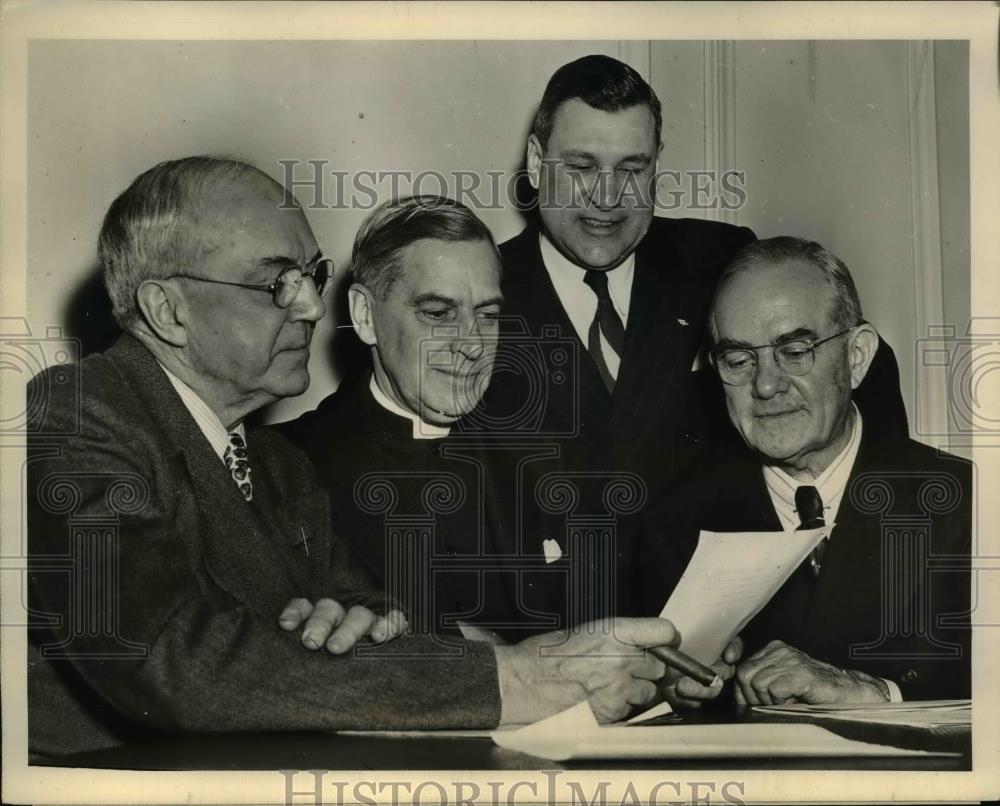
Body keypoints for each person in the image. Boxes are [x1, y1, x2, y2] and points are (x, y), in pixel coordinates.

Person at [26, 156, 691, 760]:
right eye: (277, 284)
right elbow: (167, 657)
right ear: (167, 310)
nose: (312, 307)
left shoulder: (277, 466)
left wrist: (441, 642)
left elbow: (372, 620)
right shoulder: (77, 415)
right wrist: (517, 676)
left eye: (311, 276)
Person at [482, 56, 910, 612]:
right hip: (555, 636)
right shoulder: (481, 289)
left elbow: (859, 373)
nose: (607, 197)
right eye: (583, 167)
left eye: (632, 168)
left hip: (737, 628)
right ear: (538, 163)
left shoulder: (718, 260)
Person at [642, 237, 971, 704]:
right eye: (738, 360)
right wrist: (668, 695)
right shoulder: (674, 526)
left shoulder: (968, 502)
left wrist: (878, 694)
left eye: (794, 351)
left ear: (856, 356)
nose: (766, 384)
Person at [280, 196, 536, 641]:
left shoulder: (543, 441)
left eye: (488, 316)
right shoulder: (285, 466)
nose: (472, 345)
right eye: (438, 314)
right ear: (365, 317)